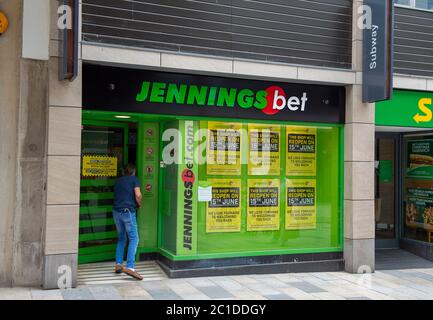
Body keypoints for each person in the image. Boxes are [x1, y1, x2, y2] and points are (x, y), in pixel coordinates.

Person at [112, 163, 143, 280]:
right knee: (134, 238)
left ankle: (118, 264)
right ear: (133, 171)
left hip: (116, 212)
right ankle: (130, 267)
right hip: (128, 212)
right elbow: (138, 195)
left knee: (121, 238)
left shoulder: (118, 181)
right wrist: (139, 204)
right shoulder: (134, 180)